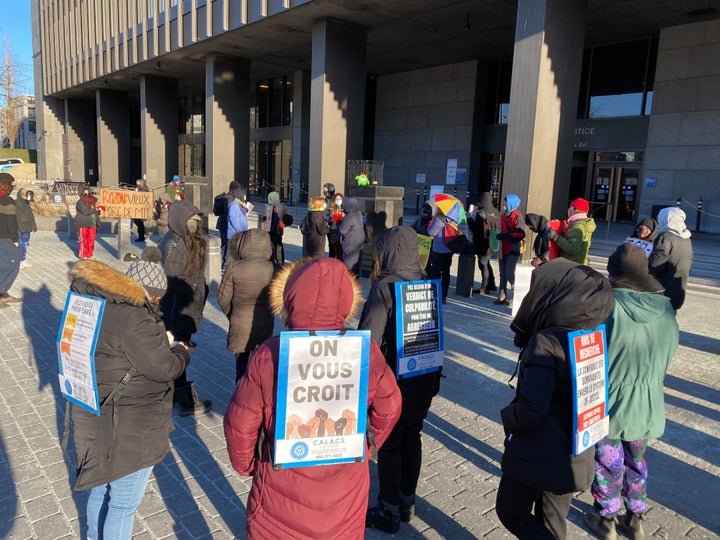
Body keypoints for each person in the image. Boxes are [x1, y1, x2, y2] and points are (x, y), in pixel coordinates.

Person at [224, 257, 402, 539]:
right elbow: (390, 405)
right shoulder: (364, 351)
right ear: (346, 299)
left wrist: (248, 464)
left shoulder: (270, 353)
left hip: (279, 496)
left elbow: (240, 421)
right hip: (345, 494)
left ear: (291, 296)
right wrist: (363, 445)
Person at [68, 259, 191, 540]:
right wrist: (181, 351)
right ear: (149, 292)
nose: (158, 301)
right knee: (123, 504)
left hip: (97, 409)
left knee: (100, 488)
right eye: (157, 296)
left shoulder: (98, 301)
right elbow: (164, 368)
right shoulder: (135, 317)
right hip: (131, 424)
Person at [496, 258, 615, 540]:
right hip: (574, 451)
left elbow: (531, 411)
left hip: (537, 452)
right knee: (553, 520)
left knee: (511, 512)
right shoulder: (591, 335)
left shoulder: (546, 342)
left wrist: (507, 416)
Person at [584, 243, 678, 540]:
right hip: (648, 399)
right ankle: (637, 517)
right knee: (637, 459)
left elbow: (592, 352)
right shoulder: (665, 309)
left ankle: (607, 520)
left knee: (607, 461)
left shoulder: (607, 305)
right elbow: (669, 352)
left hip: (610, 399)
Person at [359, 226, 441, 533]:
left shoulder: (385, 287)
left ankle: (388, 508)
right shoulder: (426, 283)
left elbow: (368, 339)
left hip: (393, 381)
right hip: (424, 377)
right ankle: (407, 501)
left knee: (390, 444)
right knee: (412, 437)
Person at [158, 200, 212, 416]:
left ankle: (171, 393)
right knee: (178, 348)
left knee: (177, 347)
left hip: (186, 303)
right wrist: (196, 291)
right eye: (191, 221)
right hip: (175, 306)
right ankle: (184, 399)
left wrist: (202, 291)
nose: (194, 226)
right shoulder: (173, 243)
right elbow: (174, 280)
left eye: (196, 222)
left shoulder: (187, 240)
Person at [217, 229, 275, 382]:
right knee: (260, 361)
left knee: (241, 364)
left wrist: (231, 314)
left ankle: (240, 392)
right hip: (265, 325)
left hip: (240, 323)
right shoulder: (273, 268)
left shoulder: (234, 268)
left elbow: (223, 298)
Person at [649, 207, 693, 311]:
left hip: (662, 290)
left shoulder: (665, 236)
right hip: (679, 288)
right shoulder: (686, 238)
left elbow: (656, 263)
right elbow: (690, 261)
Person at [494, 194, 525, 306]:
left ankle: (516, 294)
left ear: (512, 203)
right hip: (502, 248)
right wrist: (492, 233)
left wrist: (507, 235)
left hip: (512, 248)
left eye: (506, 202)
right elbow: (499, 229)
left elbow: (521, 234)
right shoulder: (503, 216)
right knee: (502, 274)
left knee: (509, 274)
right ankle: (502, 295)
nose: (504, 204)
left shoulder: (517, 217)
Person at [547, 198, 595, 265]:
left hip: (571, 265)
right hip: (577, 263)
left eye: (570, 208)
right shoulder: (584, 224)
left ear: (575, 210)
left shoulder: (577, 227)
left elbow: (573, 249)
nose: (568, 210)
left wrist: (556, 237)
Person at [467, 193, 497, 294]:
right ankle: (492, 284)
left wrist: (470, 219)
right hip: (493, 243)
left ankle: (484, 287)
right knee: (487, 263)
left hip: (482, 244)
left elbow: (476, 229)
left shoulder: (481, 213)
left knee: (483, 265)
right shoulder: (496, 211)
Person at [0, 173, 22, 306]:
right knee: (12, 263)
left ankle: (4, 293)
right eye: (12, 184)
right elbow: (11, 222)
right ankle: (1, 291)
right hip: (6, 237)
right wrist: (15, 240)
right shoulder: (7, 201)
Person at [426, 205, 453, 303]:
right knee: (446, 273)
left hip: (438, 250)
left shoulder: (440, 219)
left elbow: (431, 233)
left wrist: (430, 224)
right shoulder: (452, 219)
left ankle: (435, 294)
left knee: (436, 272)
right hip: (449, 249)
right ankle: (444, 296)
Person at [213, 180, 242, 268]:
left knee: (224, 244)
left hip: (222, 224)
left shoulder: (224, 197)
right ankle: (226, 265)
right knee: (230, 245)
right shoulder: (233, 199)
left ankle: (221, 262)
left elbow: (217, 212)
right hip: (229, 225)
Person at [338, 195, 365, 275]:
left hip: (350, 243)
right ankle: (356, 282)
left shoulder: (350, 216)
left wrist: (338, 221)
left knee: (349, 267)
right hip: (358, 242)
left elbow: (342, 230)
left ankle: (350, 284)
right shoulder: (358, 212)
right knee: (356, 265)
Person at [76, 186, 104, 260]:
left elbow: (95, 211)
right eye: (84, 192)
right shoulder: (80, 202)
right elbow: (85, 211)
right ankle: (83, 254)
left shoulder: (93, 201)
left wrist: (99, 210)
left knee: (91, 239)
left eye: (88, 191)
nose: (86, 193)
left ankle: (89, 253)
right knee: (83, 240)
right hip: (83, 223)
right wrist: (96, 209)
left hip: (92, 222)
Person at [263, 191, 290, 268]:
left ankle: (279, 262)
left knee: (277, 246)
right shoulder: (275, 206)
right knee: (276, 246)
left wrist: (271, 230)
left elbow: (276, 221)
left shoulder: (277, 207)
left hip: (276, 231)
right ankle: (277, 261)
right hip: (275, 230)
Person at [225, 185, 250, 267]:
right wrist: (240, 232)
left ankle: (233, 266)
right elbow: (234, 220)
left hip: (239, 233)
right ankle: (228, 266)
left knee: (236, 252)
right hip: (235, 233)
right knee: (232, 253)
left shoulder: (238, 206)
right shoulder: (234, 206)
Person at [16, 187, 37, 269]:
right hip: (19, 228)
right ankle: (19, 261)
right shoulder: (17, 203)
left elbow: (30, 216)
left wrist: (34, 226)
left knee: (25, 245)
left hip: (27, 228)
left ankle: (23, 260)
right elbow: (15, 217)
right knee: (20, 245)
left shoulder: (27, 204)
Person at [327, 192, 345, 259]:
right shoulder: (332, 209)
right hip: (333, 232)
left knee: (341, 253)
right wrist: (334, 218)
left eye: (339, 199)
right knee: (334, 251)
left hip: (341, 232)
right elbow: (329, 219)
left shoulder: (344, 209)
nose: (338, 201)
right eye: (336, 200)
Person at [132, 178, 150, 242]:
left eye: (138, 183)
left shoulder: (143, 189)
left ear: (141, 183)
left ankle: (141, 237)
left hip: (141, 209)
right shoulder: (142, 188)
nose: (137, 185)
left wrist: (137, 191)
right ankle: (142, 235)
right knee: (139, 223)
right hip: (139, 209)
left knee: (140, 223)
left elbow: (142, 195)